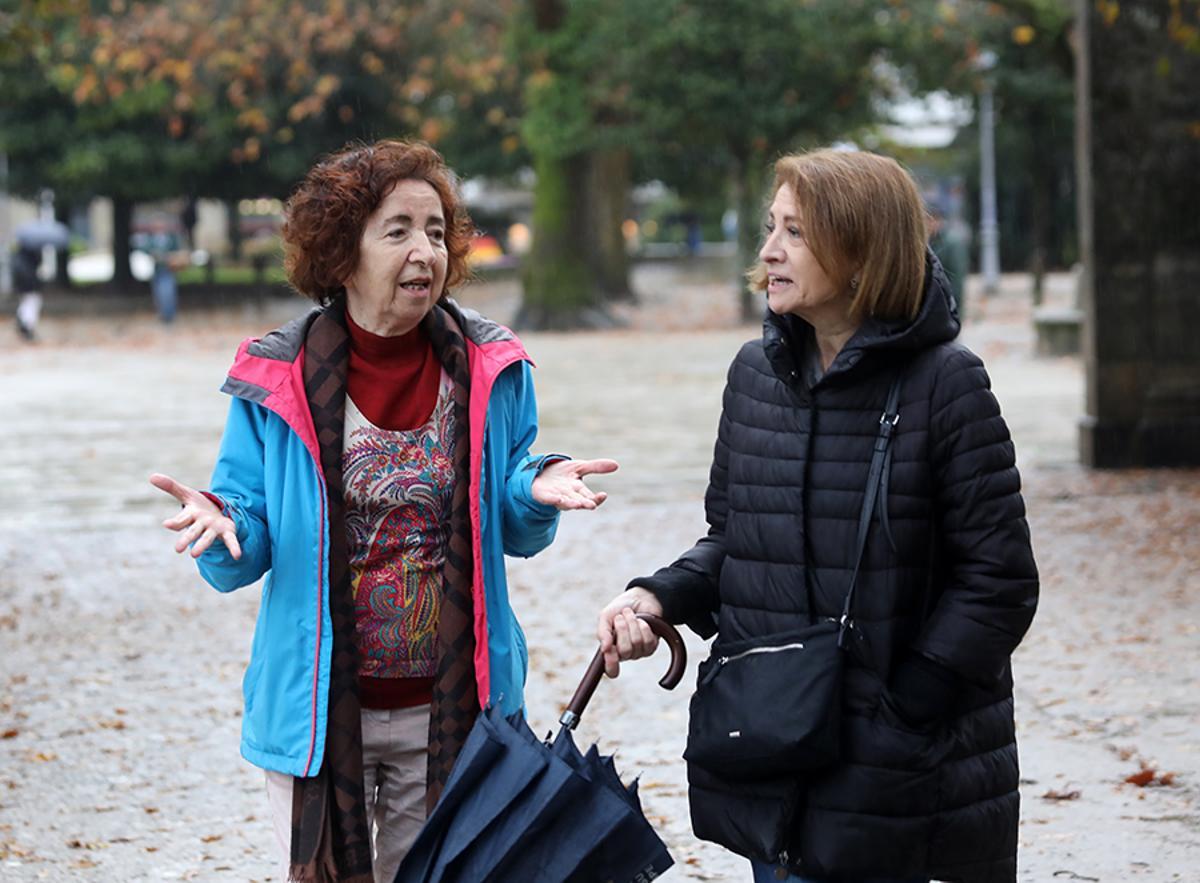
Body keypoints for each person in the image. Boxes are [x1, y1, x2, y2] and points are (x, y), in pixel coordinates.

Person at [151, 140, 618, 883]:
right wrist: (224, 528)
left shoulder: (491, 365)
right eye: (396, 230)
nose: (423, 250)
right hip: (317, 715)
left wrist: (534, 489)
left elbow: (516, 509)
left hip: (454, 708)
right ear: (343, 251)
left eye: (435, 231)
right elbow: (245, 522)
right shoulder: (277, 377)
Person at [598, 149, 1038, 883]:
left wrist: (909, 707)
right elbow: (737, 542)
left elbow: (1000, 581)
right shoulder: (753, 376)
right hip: (778, 756)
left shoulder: (947, 384)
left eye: (795, 232)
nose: (769, 249)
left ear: (864, 251)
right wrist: (657, 595)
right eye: (772, 227)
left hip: (901, 778)